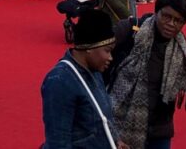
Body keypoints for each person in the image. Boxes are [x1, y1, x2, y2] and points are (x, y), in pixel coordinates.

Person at [111, 0, 186, 149]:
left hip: (160, 130)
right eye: (166, 17)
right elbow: (92, 51)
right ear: (156, 12)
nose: (171, 24)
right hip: (119, 123)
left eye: (178, 21)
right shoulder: (129, 31)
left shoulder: (182, 51)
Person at [41, 9, 125, 149]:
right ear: (89, 48)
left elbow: (102, 118)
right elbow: (58, 143)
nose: (111, 57)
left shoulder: (95, 70)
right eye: (107, 50)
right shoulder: (59, 81)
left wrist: (115, 141)